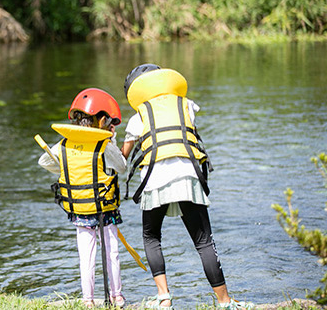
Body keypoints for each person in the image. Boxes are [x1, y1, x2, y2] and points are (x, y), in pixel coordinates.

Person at [120, 64, 252, 310]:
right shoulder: (187, 105)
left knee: (151, 237)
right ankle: (224, 301)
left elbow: (122, 159)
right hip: (188, 176)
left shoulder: (137, 117)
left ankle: (164, 298)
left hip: (154, 179)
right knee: (203, 241)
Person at [38, 88, 128, 308]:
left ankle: (88, 301)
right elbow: (122, 167)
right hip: (104, 209)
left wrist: (67, 169)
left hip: (79, 209)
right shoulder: (104, 144)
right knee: (112, 253)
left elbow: (44, 161)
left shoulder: (65, 144)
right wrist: (112, 140)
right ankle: (117, 297)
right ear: (103, 120)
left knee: (86, 256)